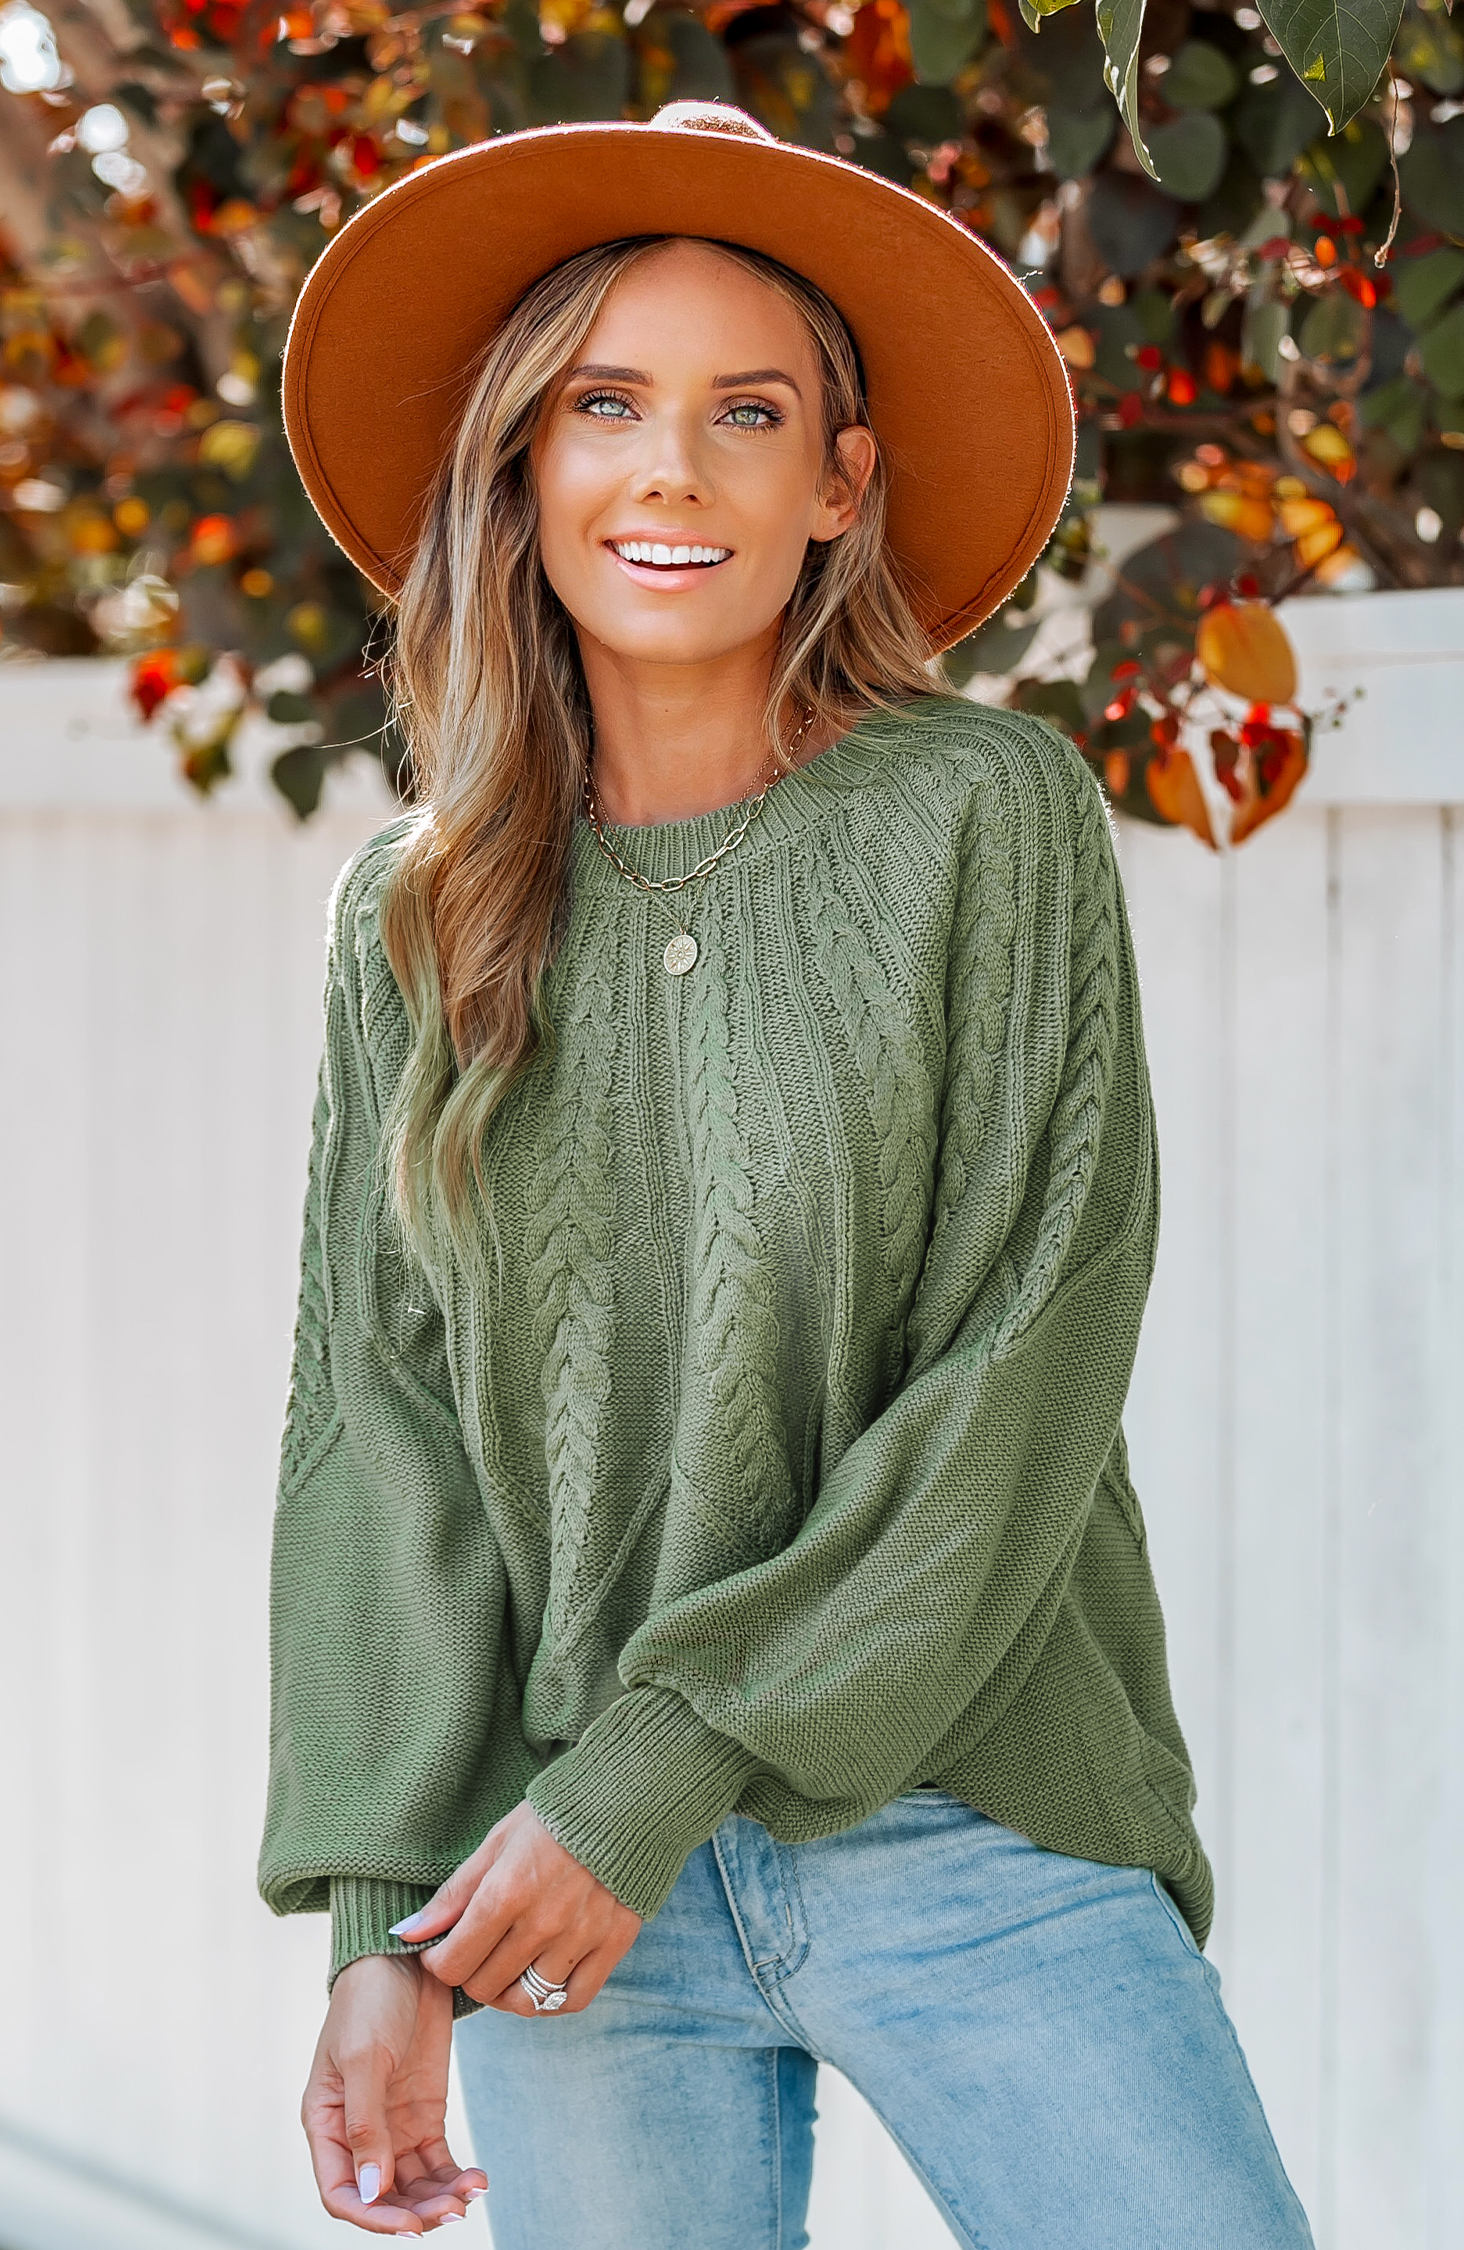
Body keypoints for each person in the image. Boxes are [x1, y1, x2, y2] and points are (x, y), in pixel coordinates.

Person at [259, 100, 1315, 2250]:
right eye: (603, 404)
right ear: (518, 463)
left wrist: (655, 1772)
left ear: (839, 484)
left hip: (972, 1815)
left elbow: (1028, 1353)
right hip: (563, 1895)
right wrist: (381, 1917)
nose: (671, 469)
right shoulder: (415, 916)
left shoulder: (986, 817)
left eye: (747, 412)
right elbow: (379, 1433)